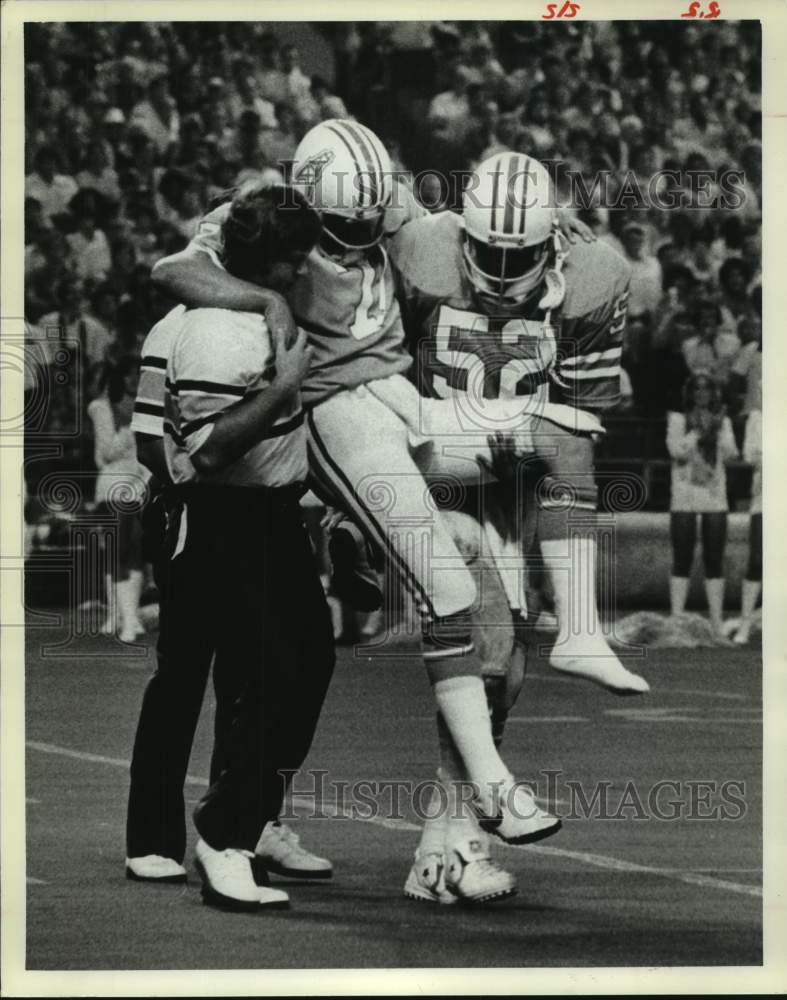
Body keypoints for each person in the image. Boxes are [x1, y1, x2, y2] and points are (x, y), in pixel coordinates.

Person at [152, 120, 569, 905]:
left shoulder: (379, 195)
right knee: (439, 593)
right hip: (334, 409)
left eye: (365, 226)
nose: (354, 241)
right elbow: (174, 267)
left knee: (534, 451)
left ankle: (429, 816)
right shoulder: (260, 212)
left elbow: (447, 230)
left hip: (394, 396)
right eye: (337, 230)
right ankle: (490, 787)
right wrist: (268, 304)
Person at [390, 151, 649, 901]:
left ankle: (444, 841)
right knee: (488, 636)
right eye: (489, 252)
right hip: (427, 452)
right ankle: (462, 834)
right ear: (460, 233)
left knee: (501, 664)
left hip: (509, 473)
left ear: (553, 242)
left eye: (521, 255)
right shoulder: (417, 246)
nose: (502, 272)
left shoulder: (594, 276)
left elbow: (584, 413)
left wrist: (520, 445)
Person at [130, 183, 335, 910]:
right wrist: (282, 390)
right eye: (296, 259)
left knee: (260, 674)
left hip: (257, 511)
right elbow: (196, 451)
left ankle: (244, 821)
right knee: (195, 673)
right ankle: (181, 834)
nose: (307, 270)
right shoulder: (215, 329)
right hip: (213, 513)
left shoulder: (231, 295)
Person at [666, 373, 739, 637]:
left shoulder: (724, 421)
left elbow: (732, 454)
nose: (701, 394)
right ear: (690, 393)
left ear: (713, 393)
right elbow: (676, 451)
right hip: (685, 493)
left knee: (713, 557)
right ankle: (676, 619)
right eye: (696, 389)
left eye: (707, 389)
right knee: (682, 556)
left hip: (714, 494)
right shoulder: (677, 420)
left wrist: (718, 430)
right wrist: (698, 431)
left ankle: (717, 622)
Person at [87, 356, 148, 642]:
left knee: (134, 549)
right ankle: (122, 617)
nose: (135, 379)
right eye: (131, 374)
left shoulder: (145, 405)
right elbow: (106, 453)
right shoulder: (101, 407)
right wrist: (128, 428)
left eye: (139, 374)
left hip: (139, 485)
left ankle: (127, 615)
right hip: (113, 484)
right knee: (119, 550)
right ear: (120, 377)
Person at [731, 408, 761, 644]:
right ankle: (745, 623)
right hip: (765, 499)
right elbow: (750, 454)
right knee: (757, 560)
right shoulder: (757, 417)